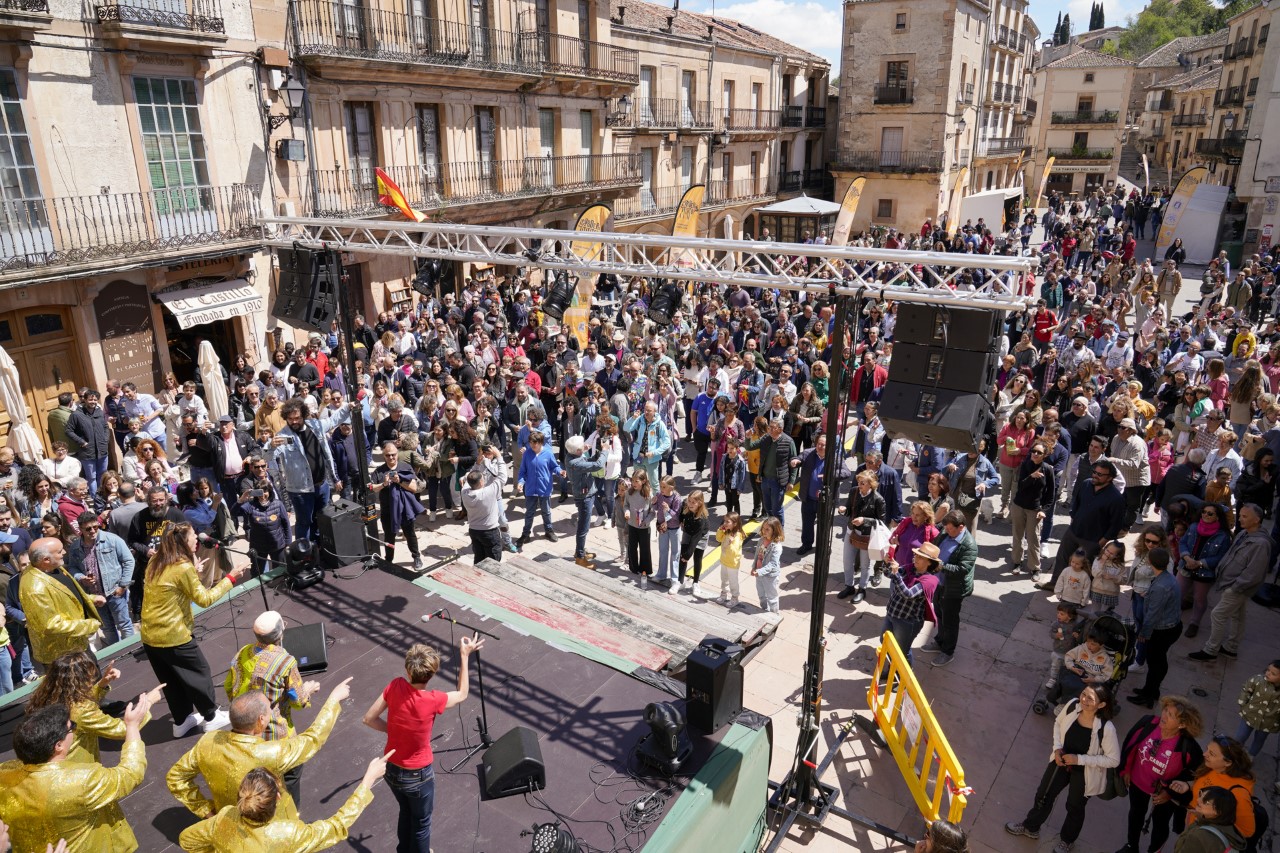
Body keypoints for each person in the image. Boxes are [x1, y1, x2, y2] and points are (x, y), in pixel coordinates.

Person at [362, 635, 484, 853]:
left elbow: (369, 718)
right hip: (418, 776)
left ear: (408, 671)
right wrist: (464, 655)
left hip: (391, 770)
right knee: (421, 823)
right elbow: (463, 693)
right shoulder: (433, 699)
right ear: (432, 673)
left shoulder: (395, 685)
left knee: (406, 812)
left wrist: (397, 731)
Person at [167, 679, 351, 822]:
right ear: (261, 721)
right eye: (270, 709)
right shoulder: (271, 753)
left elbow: (175, 777)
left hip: (230, 822)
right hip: (273, 823)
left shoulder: (207, 742)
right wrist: (333, 700)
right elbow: (312, 739)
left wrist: (206, 810)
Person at [0, 697, 151, 852]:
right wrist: (132, 727)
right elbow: (131, 773)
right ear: (58, 745)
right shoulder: (82, 780)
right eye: (71, 726)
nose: (74, 728)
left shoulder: (4, 773)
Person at [140, 524, 245, 738]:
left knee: (172, 681)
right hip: (173, 634)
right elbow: (204, 600)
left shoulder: (156, 560)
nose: (197, 539)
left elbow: (169, 587)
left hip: (150, 636)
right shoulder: (182, 567)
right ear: (183, 541)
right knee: (199, 673)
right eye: (193, 536)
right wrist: (231, 578)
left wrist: (193, 573)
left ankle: (182, 721)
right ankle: (212, 717)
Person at [177, 754, 389, 853]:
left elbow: (187, 839)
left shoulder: (224, 817)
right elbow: (336, 825)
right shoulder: (289, 833)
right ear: (278, 799)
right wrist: (367, 781)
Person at [1004, 684, 1119, 852]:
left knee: (1074, 806)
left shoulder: (1107, 728)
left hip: (1084, 771)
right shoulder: (1072, 705)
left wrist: (1078, 759)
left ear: (1101, 705)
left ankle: (1067, 840)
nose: (1084, 700)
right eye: (1084, 694)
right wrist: (1057, 748)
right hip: (1061, 761)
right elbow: (1058, 724)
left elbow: (1113, 760)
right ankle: (1031, 827)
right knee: (1043, 794)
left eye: (1090, 698)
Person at [224, 611, 320, 805]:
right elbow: (298, 700)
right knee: (291, 774)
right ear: (280, 635)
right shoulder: (285, 661)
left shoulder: (241, 653)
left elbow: (229, 687)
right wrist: (308, 690)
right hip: (277, 734)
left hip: (246, 734)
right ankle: (292, 815)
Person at [26, 651, 164, 763]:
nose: (92, 681)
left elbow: (78, 700)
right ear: (81, 681)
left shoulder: (49, 696)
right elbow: (122, 730)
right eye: (90, 678)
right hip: (76, 768)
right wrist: (147, 703)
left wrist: (101, 685)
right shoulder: (81, 711)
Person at [1117, 695, 1205, 853]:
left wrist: (1170, 793)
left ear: (1182, 724)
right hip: (1138, 782)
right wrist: (1127, 770)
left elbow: (1194, 774)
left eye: (1171, 715)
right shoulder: (1148, 724)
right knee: (1136, 814)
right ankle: (1131, 846)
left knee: (1160, 823)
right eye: (1165, 710)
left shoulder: (1189, 747)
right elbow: (1131, 745)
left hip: (1165, 794)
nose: (1164, 715)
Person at [1189, 502, 1272, 661]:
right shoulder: (1243, 534)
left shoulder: (1261, 544)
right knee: (1237, 615)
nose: (1240, 519)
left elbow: (1253, 572)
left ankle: (1211, 650)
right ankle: (1231, 648)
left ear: (1257, 519)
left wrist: (1234, 587)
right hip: (1231, 583)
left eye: (1244, 516)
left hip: (1237, 587)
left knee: (1217, 615)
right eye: (1240, 515)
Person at [18, 537, 103, 670]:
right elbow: (51, 625)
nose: (64, 552)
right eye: (59, 551)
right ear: (46, 560)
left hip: (77, 644)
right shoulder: (34, 588)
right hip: (64, 657)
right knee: (82, 689)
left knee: (95, 680)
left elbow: (65, 593)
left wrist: (89, 598)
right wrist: (89, 625)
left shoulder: (53, 567)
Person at [1042, 459, 1124, 588]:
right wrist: (1073, 521)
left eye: (1100, 474)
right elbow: (1076, 504)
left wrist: (1101, 542)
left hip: (1093, 540)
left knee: (1086, 568)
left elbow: (1115, 525)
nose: (1095, 475)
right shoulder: (1086, 484)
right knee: (1062, 559)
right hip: (1073, 532)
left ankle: (1079, 595)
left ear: (1110, 478)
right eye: (1094, 472)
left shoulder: (1116, 498)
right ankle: (1055, 584)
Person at [1167, 735, 1256, 843]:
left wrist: (1207, 819)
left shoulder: (1238, 794)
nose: (1204, 754)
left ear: (1227, 762)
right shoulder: (1213, 767)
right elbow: (1206, 784)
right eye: (1207, 749)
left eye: (1212, 754)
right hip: (1193, 827)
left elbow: (1247, 831)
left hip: (1205, 840)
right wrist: (1189, 785)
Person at [65, 511, 134, 644]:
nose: (92, 531)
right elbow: (72, 568)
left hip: (114, 591)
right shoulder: (75, 547)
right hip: (94, 595)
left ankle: (131, 651)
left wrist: (123, 585)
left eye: (95, 527)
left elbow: (128, 561)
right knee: (107, 628)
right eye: (88, 529)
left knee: (124, 624)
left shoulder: (112, 540)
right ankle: (117, 656)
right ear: (80, 529)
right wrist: (81, 577)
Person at [1128, 547, 1183, 708]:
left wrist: (1144, 633)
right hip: (1170, 626)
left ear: (1151, 562)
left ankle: (1149, 695)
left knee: (1155, 663)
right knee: (1157, 662)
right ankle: (1149, 690)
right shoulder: (1168, 578)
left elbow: (1153, 614)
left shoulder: (1160, 586)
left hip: (1162, 630)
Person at [927, 511, 977, 668]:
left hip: (954, 589)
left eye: (950, 529)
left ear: (961, 527)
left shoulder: (969, 545)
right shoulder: (945, 532)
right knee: (940, 614)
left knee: (950, 621)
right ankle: (940, 641)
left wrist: (942, 566)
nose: (946, 531)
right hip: (940, 584)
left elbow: (962, 569)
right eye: (946, 528)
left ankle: (948, 652)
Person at [882, 541, 941, 664]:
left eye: (920, 557)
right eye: (916, 555)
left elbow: (908, 594)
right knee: (885, 642)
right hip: (892, 614)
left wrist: (896, 574)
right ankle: (890, 671)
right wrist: (888, 563)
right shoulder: (910, 568)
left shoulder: (930, 581)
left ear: (930, 562)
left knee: (901, 651)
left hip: (907, 621)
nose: (916, 558)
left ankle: (903, 677)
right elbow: (889, 574)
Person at [371, 441, 426, 571]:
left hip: (404, 509)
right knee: (389, 537)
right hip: (387, 510)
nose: (391, 457)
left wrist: (399, 481)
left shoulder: (405, 467)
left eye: (393, 455)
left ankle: (416, 556)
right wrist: (384, 484)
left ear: (397, 454)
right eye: (388, 455)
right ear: (384, 456)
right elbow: (373, 488)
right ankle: (389, 560)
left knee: (410, 534)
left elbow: (413, 487)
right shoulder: (379, 471)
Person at [839, 470, 887, 604]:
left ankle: (862, 589)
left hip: (867, 536)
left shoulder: (878, 499)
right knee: (847, 561)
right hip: (851, 531)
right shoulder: (854, 491)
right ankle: (849, 586)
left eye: (862, 482)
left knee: (865, 565)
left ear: (870, 485)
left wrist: (864, 520)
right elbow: (849, 510)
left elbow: (881, 522)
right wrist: (843, 510)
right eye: (858, 482)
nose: (859, 484)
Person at [460, 445, 507, 564]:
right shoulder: (489, 492)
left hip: (474, 531)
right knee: (493, 562)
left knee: (479, 558)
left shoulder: (465, 492)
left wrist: (477, 464)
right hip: (489, 531)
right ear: (482, 481)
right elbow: (502, 477)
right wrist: (499, 456)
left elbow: (469, 477)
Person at [516, 431, 561, 546]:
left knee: (546, 512)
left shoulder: (548, 453)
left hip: (544, 488)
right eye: (531, 442)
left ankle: (549, 531)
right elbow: (522, 471)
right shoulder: (527, 454)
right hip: (530, 489)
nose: (533, 445)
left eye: (535, 443)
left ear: (541, 442)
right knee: (529, 513)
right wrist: (521, 482)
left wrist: (560, 472)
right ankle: (525, 534)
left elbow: (555, 467)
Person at [563, 435, 601, 569]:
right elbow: (597, 466)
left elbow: (588, 461)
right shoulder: (575, 462)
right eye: (581, 447)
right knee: (583, 529)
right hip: (584, 497)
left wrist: (588, 452)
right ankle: (579, 557)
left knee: (583, 527)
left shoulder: (572, 456)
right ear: (577, 451)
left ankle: (580, 550)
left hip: (586, 494)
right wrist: (606, 451)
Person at [64, 390, 111, 495]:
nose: (93, 402)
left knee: (103, 475)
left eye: (95, 399)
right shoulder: (76, 415)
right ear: (84, 400)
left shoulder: (99, 412)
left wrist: (106, 439)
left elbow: (105, 426)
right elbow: (68, 431)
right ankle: (95, 498)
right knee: (91, 477)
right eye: (90, 399)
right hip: (87, 452)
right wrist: (81, 442)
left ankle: (103, 496)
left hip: (102, 450)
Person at [1173, 786, 1245, 853]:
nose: (1198, 800)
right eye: (1201, 795)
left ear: (1218, 811)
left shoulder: (1199, 836)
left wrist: (1197, 822)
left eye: (1206, 802)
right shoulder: (1229, 827)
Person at [1234, 660, 1280, 756]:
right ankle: (1235, 753)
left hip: (1268, 722)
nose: (1268, 673)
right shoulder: (1258, 680)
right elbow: (1246, 689)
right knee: (1240, 736)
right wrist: (1242, 702)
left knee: (1259, 740)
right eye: (1268, 670)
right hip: (1250, 714)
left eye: (1273, 674)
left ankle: (1251, 755)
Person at [676, 490, 709, 596]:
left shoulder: (701, 519)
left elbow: (696, 539)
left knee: (697, 558)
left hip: (700, 535)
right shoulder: (686, 505)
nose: (690, 504)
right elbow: (681, 511)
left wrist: (688, 554)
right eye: (689, 501)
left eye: (693, 502)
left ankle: (696, 582)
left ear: (699, 503)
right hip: (688, 531)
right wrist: (681, 520)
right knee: (682, 556)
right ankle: (680, 581)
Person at [751, 516, 783, 613]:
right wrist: (754, 567)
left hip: (769, 576)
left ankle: (774, 615)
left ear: (775, 530)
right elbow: (757, 555)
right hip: (759, 573)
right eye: (763, 528)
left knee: (772, 597)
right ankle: (764, 610)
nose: (764, 531)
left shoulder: (776, 547)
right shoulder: (761, 540)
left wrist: (759, 571)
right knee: (761, 595)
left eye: (767, 529)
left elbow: (773, 564)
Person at [715, 511, 745, 606]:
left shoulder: (738, 535)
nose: (725, 523)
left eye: (728, 522)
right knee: (724, 579)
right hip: (724, 561)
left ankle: (735, 597)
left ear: (735, 524)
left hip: (732, 563)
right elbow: (718, 539)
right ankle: (724, 594)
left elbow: (734, 551)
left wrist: (730, 543)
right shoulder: (726, 532)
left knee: (733, 582)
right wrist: (720, 530)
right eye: (724, 521)